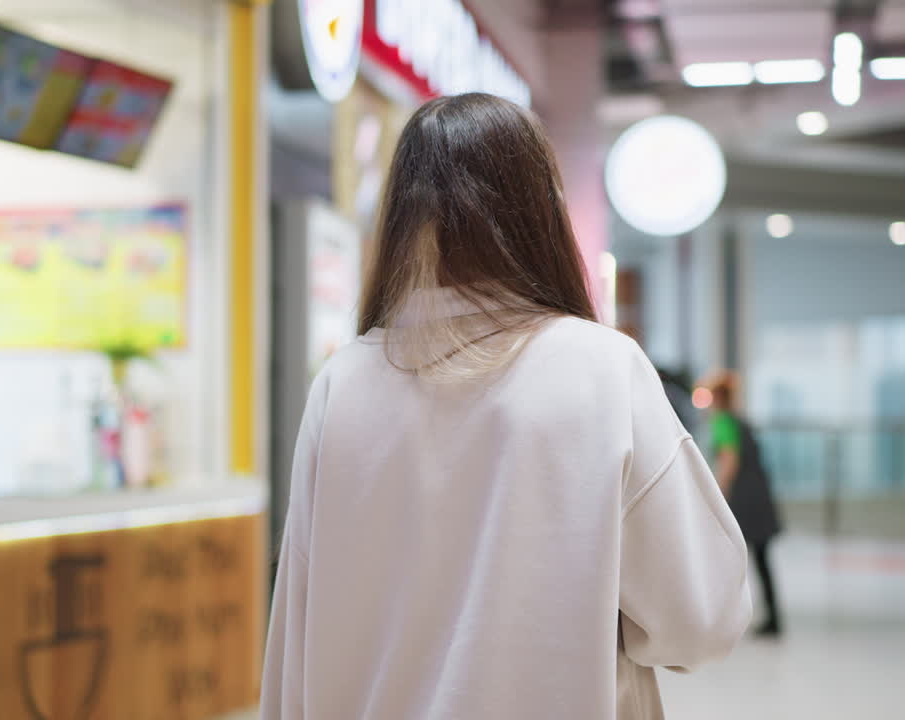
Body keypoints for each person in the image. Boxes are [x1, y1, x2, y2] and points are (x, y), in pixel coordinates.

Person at [262, 93, 751, 720]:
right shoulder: (600, 369)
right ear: (540, 211)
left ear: (401, 216)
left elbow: (296, 636)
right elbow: (704, 618)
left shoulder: (343, 382)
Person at [701, 370, 784, 637]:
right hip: (759, 497)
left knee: (728, 557)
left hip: (744, 500)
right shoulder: (739, 421)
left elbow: (729, 461)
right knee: (760, 558)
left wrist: (717, 497)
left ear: (716, 398)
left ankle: (723, 618)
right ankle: (773, 618)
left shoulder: (723, 422)